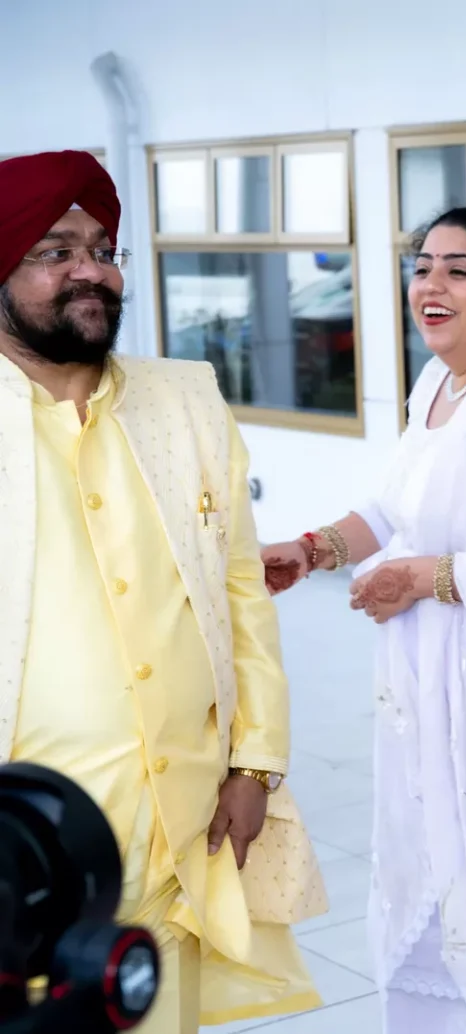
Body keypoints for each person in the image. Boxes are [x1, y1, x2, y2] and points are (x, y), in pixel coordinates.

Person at [0, 150, 323, 1033]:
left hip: (178, 824)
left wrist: (256, 761)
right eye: (53, 250)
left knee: (151, 1008)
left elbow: (239, 592)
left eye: (103, 248)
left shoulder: (183, 399)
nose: (89, 270)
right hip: (24, 839)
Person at [260, 207, 466, 1034]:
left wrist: (427, 577)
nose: (430, 286)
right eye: (421, 267)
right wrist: (315, 547)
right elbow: (393, 499)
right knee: (427, 867)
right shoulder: (439, 383)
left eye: (458, 270)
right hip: (424, 674)